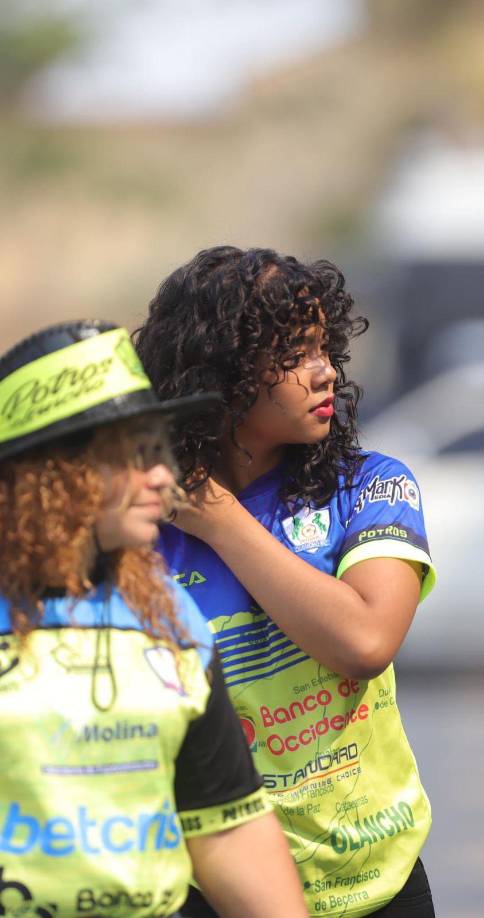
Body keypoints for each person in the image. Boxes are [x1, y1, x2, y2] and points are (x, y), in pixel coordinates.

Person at [135, 246, 437, 918]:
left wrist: (219, 521)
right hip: (206, 887)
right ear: (220, 370)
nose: (326, 371)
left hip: (373, 884)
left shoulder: (368, 484)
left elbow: (363, 642)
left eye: (326, 347)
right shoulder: (138, 521)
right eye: (297, 352)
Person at [0, 319, 309, 918]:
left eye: (159, 452)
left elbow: (226, 826)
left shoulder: (172, 622)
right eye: (134, 456)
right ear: (57, 474)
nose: (163, 477)